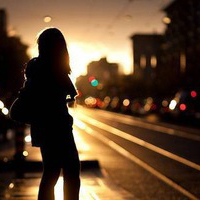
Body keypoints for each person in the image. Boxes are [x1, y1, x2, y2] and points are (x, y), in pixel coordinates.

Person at [25, 28, 80, 200]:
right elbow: (70, 95)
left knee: (51, 173)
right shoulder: (55, 67)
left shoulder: (35, 66)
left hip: (43, 127)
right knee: (70, 171)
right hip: (58, 126)